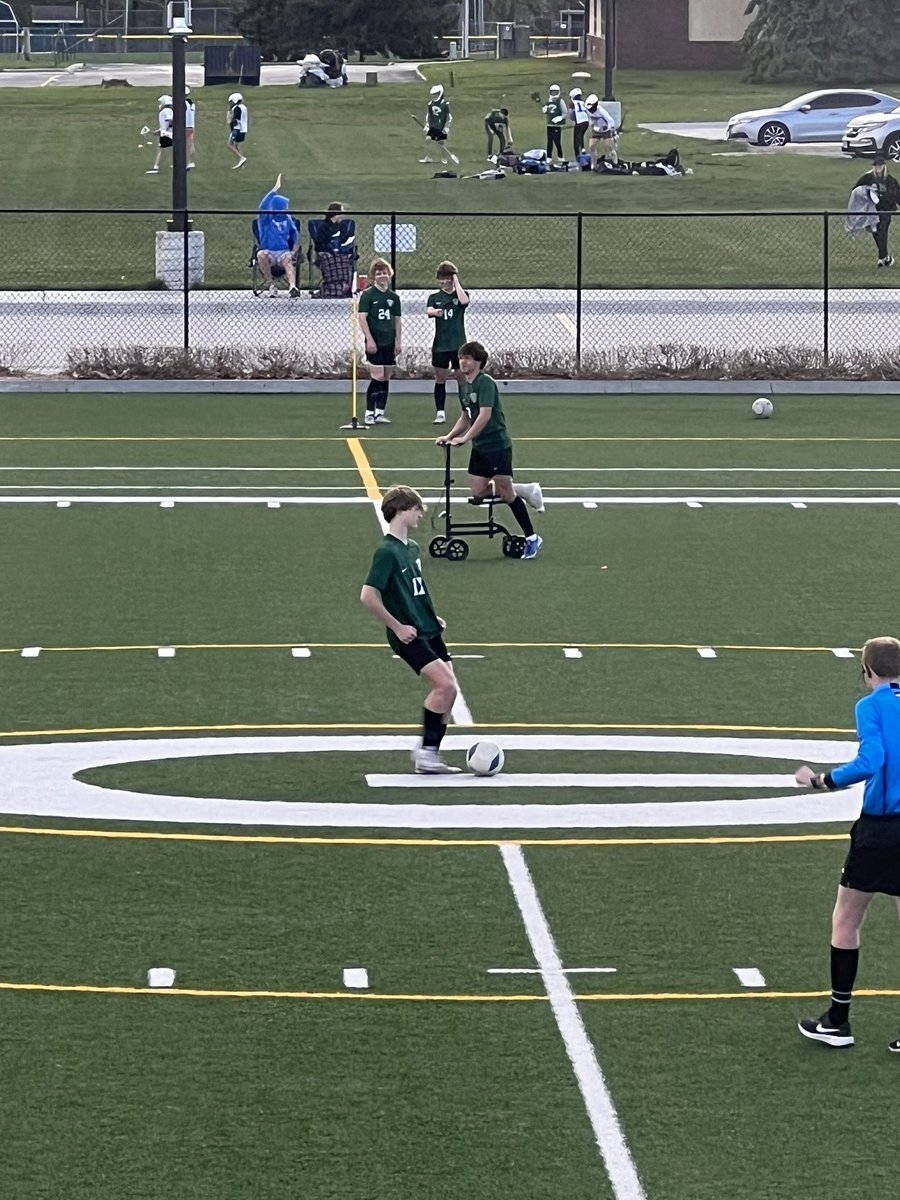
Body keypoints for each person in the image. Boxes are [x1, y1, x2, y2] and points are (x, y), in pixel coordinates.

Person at [795, 635, 900, 1051]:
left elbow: (871, 761)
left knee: (846, 919)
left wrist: (822, 780)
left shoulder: (871, 706)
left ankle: (838, 1020)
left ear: (868, 671)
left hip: (880, 830)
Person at [360, 485, 461, 775]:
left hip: (427, 628)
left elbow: (415, 589)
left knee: (450, 692)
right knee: (445, 686)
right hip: (409, 635)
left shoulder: (412, 548)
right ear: (402, 510)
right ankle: (426, 753)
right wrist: (397, 626)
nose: (420, 515)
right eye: (417, 509)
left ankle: (431, 755)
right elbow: (368, 595)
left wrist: (431, 615)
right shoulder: (386, 551)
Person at [437, 340, 544, 560]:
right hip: (480, 447)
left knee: (505, 491)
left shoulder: (486, 383)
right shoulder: (464, 386)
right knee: (478, 493)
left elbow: (484, 415)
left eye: (467, 358)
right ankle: (522, 490)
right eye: (461, 358)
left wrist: (465, 438)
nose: (462, 362)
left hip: (496, 446)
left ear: (478, 362)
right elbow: (467, 415)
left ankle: (532, 537)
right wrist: (450, 436)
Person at [357, 258, 402, 425]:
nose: (382, 276)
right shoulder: (368, 295)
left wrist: (398, 341)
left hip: (389, 342)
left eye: (384, 273)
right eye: (378, 273)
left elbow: (397, 320)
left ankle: (380, 412)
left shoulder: (393, 297)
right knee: (377, 376)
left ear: (389, 275)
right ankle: (369, 412)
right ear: (373, 276)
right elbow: (362, 318)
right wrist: (369, 339)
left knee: (386, 376)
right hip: (375, 341)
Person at [426, 261, 469, 425]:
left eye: (447, 278)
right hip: (441, 344)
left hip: (458, 344)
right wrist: (434, 312)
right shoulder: (435, 297)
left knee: (461, 378)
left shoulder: (460, 295)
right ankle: (440, 412)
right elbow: (428, 310)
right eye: (441, 279)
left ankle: (466, 410)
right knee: (440, 378)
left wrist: (457, 283)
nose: (444, 282)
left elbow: (464, 302)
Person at [256, 173, 300, 298]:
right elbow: (262, 207)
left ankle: (292, 287)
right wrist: (274, 190)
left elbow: (296, 236)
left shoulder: (288, 219)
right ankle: (271, 285)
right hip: (268, 250)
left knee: (287, 259)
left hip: (283, 251)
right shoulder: (266, 219)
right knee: (261, 255)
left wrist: (293, 252)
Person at [854, 153, 900, 268]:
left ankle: (881, 259)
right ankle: (885, 258)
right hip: (872, 210)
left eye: (879, 166)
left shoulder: (890, 180)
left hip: (886, 211)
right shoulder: (868, 178)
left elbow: (897, 194)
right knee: (875, 233)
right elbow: (856, 190)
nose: (877, 168)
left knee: (882, 232)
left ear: (884, 166)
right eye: (876, 166)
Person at [586, 94, 619, 170]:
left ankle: (615, 163)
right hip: (596, 130)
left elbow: (611, 121)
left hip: (605, 131)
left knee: (609, 147)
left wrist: (608, 127)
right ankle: (594, 165)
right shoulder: (588, 110)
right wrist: (592, 124)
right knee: (591, 147)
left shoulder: (601, 111)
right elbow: (590, 118)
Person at [421, 83, 452, 164]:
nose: (434, 96)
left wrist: (446, 127)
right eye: (433, 94)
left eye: (435, 94)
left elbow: (449, 117)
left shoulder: (445, 104)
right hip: (433, 126)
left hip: (441, 127)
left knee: (441, 143)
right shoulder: (430, 104)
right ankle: (429, 157)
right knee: (428, 140)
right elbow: (428, 115)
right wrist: (427, 125)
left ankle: (444, 158)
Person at [146, 94, 173, 175]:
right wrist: (159, 131)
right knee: (174, 149)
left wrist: (164, 131)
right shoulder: (170, 111)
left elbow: (170, 121)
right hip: (168, 133)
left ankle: (156, 166)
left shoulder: (165, 111)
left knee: (160, 150)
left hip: (167, 134)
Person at [542, 84, 567, 164]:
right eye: (552, 92)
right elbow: (548, 112)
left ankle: (560, 156)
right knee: (549, 142)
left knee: (557, 141)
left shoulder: (560, 101)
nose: (553, 93)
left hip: (557, 125)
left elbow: (565, 112)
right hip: (549, 124)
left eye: (555, 92)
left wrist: (560, 118)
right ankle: (549, 157)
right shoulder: (549, 101)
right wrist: (545, 110)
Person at [227, 92, 248, 169]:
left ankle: (241, 157)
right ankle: (242, 163)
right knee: (238, 145)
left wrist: (230, 120)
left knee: (229, 144)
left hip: (237, 129)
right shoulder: (244, 107)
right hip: (243, 129)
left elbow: (235, 120)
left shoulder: (236, 108)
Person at [568, 87, 590, 158]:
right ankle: (583, 149)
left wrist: (574, 118)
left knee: (576, 139)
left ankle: (577, 155)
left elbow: (571, 115)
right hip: (586, 122)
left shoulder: (572, 103)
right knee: (581, 136)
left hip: (579, 122)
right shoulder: (583, 103)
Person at [185, 85, 196, 170]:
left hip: (184, 125)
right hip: (191, 125)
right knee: (191, 144)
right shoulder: (192, 104)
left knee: (184, 145)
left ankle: (187, 162)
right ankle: (191, 162)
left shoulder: (183, 104)